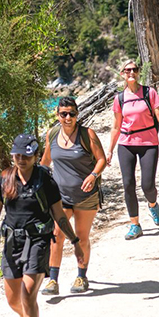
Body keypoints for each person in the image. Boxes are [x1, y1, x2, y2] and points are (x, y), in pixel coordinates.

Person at [0, 133, 86, 317]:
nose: (21, 159)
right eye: (17, 155)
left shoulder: (45, 181)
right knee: (13, 301)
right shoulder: (4, 180)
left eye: (26, 156)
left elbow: (60, 216)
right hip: (12, 242)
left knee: (28, 293)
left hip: (38, 241)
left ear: (34, 157)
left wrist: (74, 241)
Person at [39, 97, 107, 295]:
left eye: (72, 114)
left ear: (77, 114)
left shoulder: (87, 135)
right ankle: (53, 281)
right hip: (61, 198)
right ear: (57, 115)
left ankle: (81, 276)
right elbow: (45, 161)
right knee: (56, 236)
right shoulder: (52, 135)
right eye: (63, 114)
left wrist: (93, 176)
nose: (68, 118)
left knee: (81, 237)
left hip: (86, 198)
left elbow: (101, 159)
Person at [107, 59, 159, 239]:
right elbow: (115, 126)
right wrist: (110, 151)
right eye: (127, 70)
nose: (131, 73)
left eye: (134, 70)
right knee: (128, 184)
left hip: (148, 143)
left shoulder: (149, 93)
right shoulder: (119, 99)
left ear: (138, 72)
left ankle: (152, 205)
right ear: (122, 74)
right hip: (126, 143)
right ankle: (135, 224)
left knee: (147, 185)